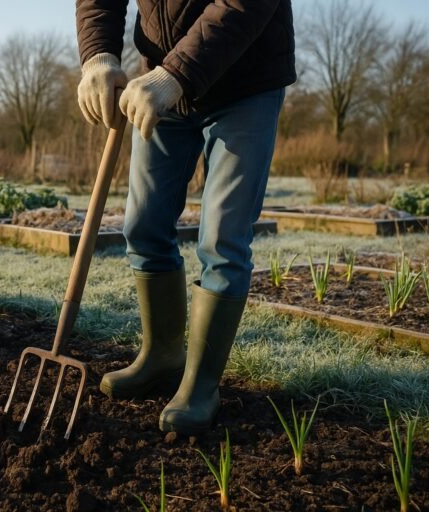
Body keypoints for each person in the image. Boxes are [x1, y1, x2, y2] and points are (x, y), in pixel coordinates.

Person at [76, 0, 296, 434]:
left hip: (245, 81)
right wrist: (97, 54)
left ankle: (201, 385)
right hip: (159, 81)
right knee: (143, 226)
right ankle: (162, 356)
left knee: (223, 239)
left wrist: (177, 74)